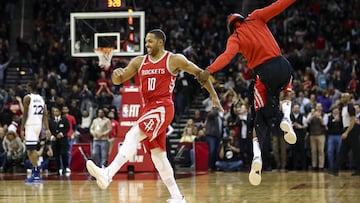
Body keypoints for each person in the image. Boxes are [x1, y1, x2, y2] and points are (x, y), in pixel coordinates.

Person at [86, 29, 223, 203]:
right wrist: (116, 74)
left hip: (163, 107)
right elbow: (118, 80)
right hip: (148, 109)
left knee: (132, 134)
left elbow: (200, 74)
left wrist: (214, 95)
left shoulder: (173, 59)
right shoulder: (139, 61)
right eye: (145, 41)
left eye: (150, 41)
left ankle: (108, 173)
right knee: (158, 156)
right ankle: (177, 197)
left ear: (160, 42)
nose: (147, 44)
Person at [196, 0, 297, 185]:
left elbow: (226, 57)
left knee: (258, 119)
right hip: (282, 64)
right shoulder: (256, 17)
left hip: (263, 73)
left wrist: (209, 70)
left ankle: (257, 157)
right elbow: (279, 5)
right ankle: (287, 118)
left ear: (230, 27)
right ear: (242, 18)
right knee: (287, 88)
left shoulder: (235, 37)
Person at [20, 81, 51, 183]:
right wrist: (46, 129)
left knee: (31, 151)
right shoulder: (41, 99)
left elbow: (25, 114)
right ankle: (35, 171)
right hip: (38, 125)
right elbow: (45, 115)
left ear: (29, 87)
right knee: (30, 150)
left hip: (30, 125)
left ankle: (36, 173)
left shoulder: (27, 98)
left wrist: (22, 128)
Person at [329, 93, 360, 176]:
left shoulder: (350, 107)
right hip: (347, 130)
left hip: (352, 130)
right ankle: (335, 170)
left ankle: (336, 169)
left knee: (355, 151)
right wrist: (338, 120)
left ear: (348, 98)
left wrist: (346, 132)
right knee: (343, 151)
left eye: (344, 97)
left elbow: (353, 121)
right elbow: (345, 119)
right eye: (342, 97)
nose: (342, 98)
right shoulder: (343, 107)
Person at [49, 106, 70, 175]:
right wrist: (52, 136)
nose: (55, 112)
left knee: (64, 154)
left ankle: (65, 168)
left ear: (60, 112)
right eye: (54, 111)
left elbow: (67, 128)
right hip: (55, 141)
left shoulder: (64, 119)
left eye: (57, 111)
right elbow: (49, 130)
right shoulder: (51, 120)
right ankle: (58, 169)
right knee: (56, 155)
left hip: (63, 140)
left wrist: (61, 134)